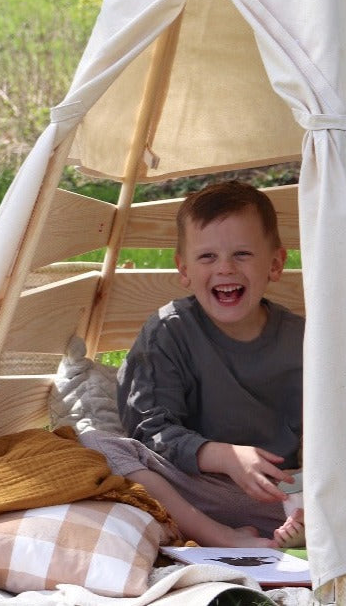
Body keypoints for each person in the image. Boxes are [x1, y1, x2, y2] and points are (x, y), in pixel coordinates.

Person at [82, 180, 306, 548]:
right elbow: (147, 429)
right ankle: (222, 538)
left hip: (274, 496)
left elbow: (333, 427)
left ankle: (294, 536)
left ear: (276, 264)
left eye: (242, 254)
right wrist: (225, 457)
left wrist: (305, 473)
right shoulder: (169, 332)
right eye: (207, 257)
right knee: (97, 445)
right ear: (184, 270)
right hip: (191, 491)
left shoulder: (301, 341)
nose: (225, 269)